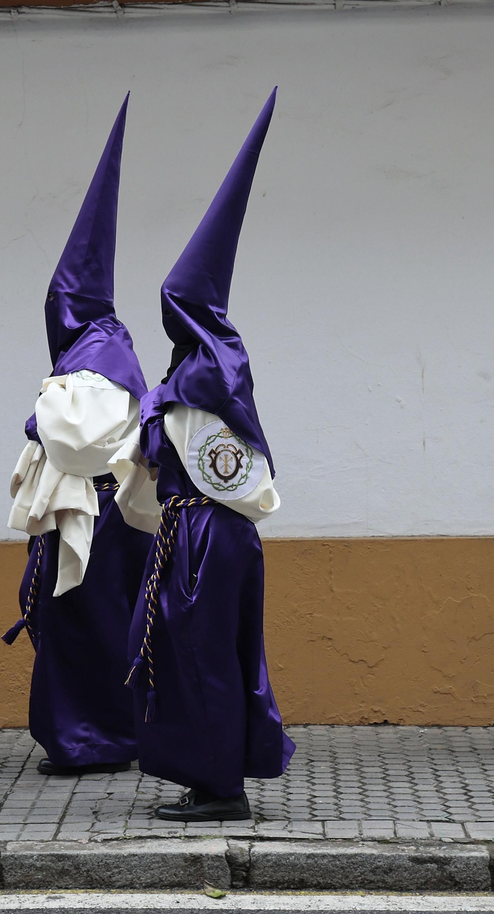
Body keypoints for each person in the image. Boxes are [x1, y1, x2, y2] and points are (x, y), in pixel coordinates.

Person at [110, 89, 294, 822]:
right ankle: (212, 774)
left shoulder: (200, 373)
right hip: (207, 530)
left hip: (204, 533)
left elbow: (179, 447)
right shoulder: (204, 370)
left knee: (201, 652)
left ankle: (221, 787)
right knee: (194, 649)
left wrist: (155, 409)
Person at [5, 96, 154, 776]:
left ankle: (93, 738)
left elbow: (74, 440)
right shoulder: (100, 347)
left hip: (97, 517)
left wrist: (41, 410)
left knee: (86, 627)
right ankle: (103, 733)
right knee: (91, 625)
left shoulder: (97, 350)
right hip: (102, 513)